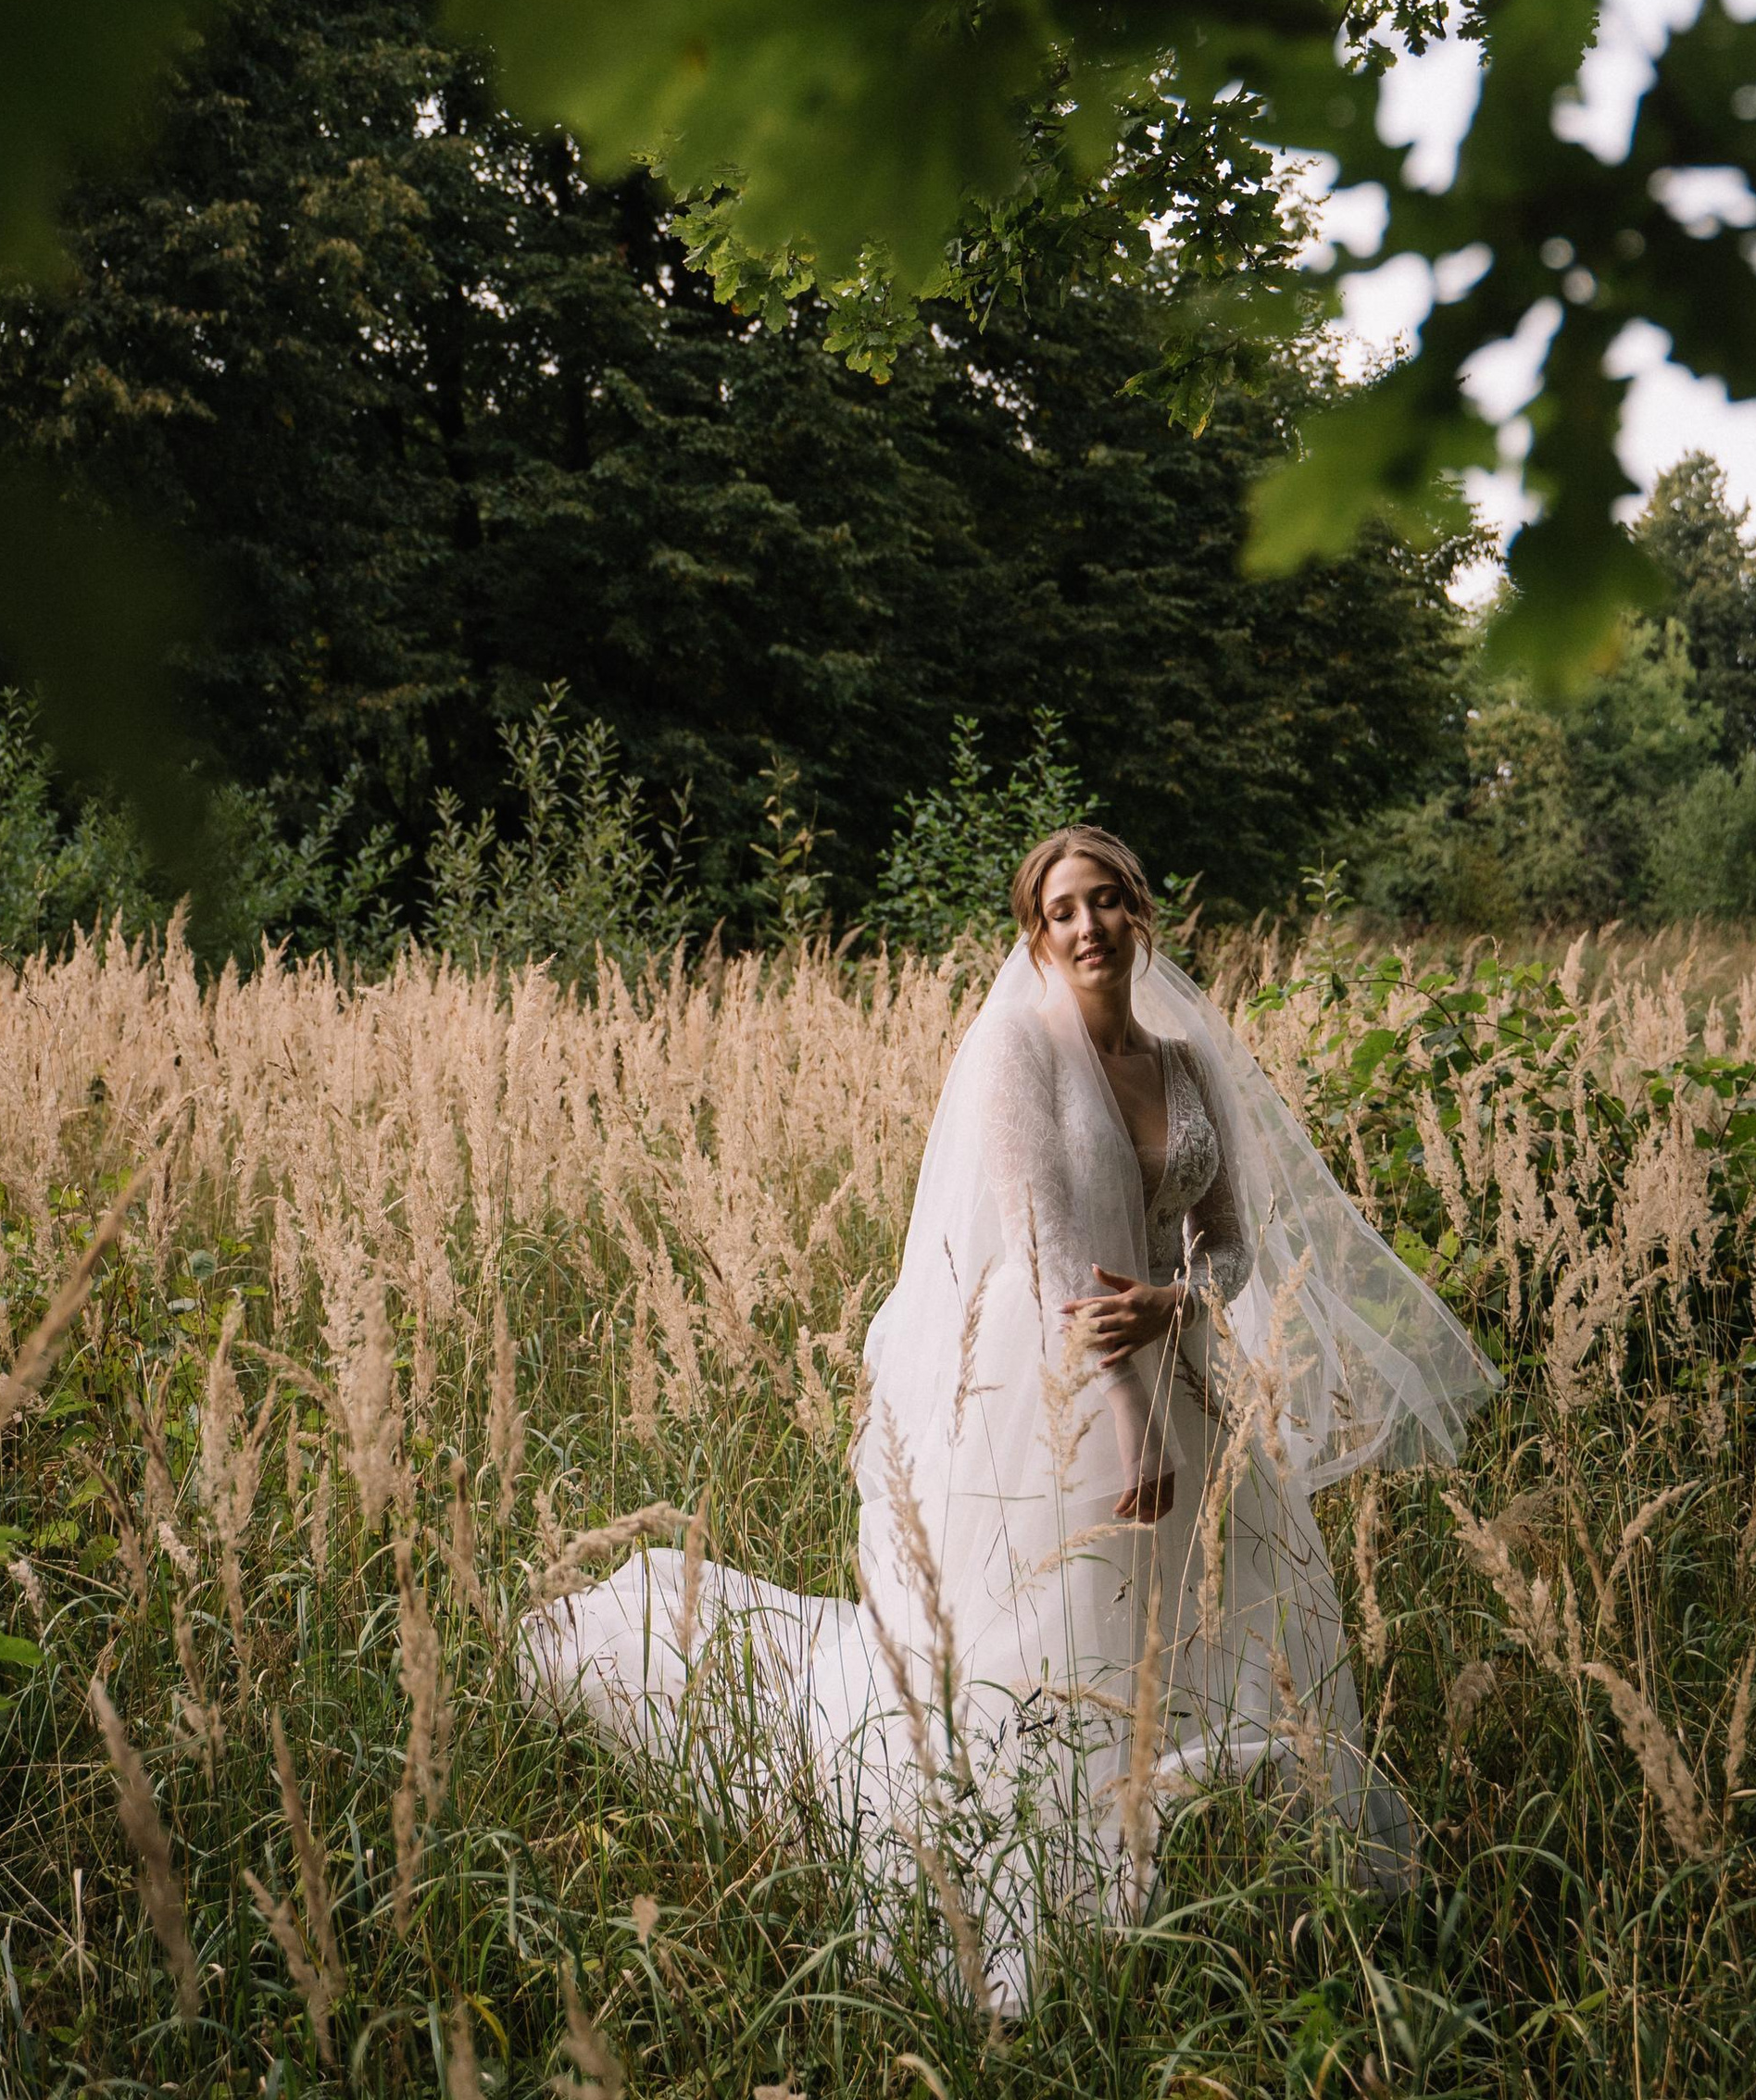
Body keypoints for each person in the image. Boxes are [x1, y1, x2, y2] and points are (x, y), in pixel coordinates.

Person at [522, 826, 1499, 2009]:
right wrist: (1126, 1422)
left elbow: (1234, 1247)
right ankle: (1061, 1889)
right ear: (1034, 935)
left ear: (1141, 913)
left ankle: (1234, 1870)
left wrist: (1175, 1306)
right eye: (1059, 912)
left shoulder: (1181, 1063)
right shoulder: (1012, 1055)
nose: (1086, 928)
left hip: (1186, 1374)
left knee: (1218, 1626)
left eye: (1104, 903)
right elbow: (1047, 1267)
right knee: (1063, 1642)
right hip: (1059, 1398)